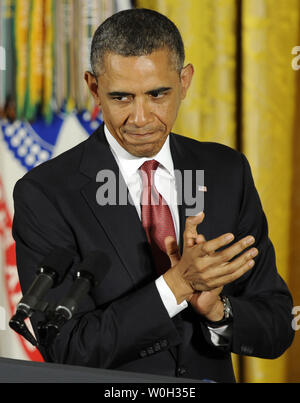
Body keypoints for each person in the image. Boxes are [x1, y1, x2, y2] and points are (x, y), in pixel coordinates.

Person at [12, 9, 294, 383]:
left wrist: (218, 311)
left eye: (158, 94)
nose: (141, 118)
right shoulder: (45, 194)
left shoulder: (228, 171)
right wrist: (176, 285)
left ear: (185, 80)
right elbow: (66, 348)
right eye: (122, 98)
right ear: (94, 88)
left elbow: (277, 324)